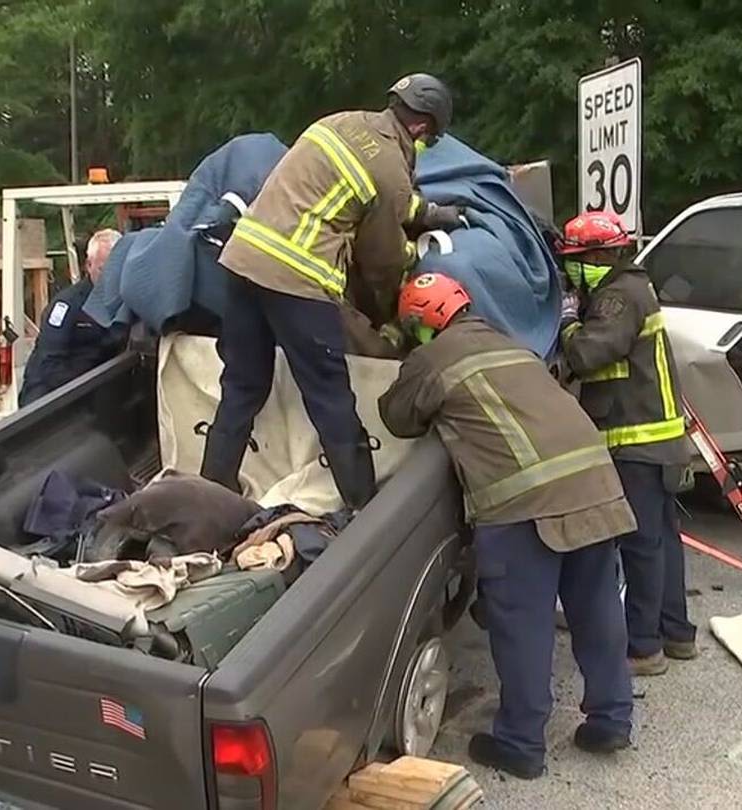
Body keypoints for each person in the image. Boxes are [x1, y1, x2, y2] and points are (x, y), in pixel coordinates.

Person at [378, 272, 636, 780]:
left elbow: (397, 416)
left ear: (420, 326)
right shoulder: (513, 343)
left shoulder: (433, 357)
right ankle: (612, 718)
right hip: (596, 486)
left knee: (523, 625)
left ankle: (520, 743)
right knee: (596, 610)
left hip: (526, 503)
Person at [200, 74, 462, 509]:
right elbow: (382, 260)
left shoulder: (339, 123)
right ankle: (362, 507)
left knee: (243, 386)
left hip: (243, 262)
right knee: (330, 397)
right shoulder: (390, 166)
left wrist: (433, 212)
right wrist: (389, 306)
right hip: (296, 279)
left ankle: (209, 493)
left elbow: (385, 198)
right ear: (421, 128)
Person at [557, 211, 698, 676]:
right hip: (659, 441)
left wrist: (569, 321)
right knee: (661, 542)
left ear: (599, 255)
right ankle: (677, 635)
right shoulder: (636, 287)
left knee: (640, 546)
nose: (573, 269)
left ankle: (643, 649)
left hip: (636, 442)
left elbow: (587, 354)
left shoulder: (617, 296)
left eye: (576, 260)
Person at [18, 229, 125, 406]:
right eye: (103, 270)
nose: (111, 278)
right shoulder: (67, 306)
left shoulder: (129, 301)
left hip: (101, 392)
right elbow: (48, 366)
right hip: (55, 396)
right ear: (89, 265)